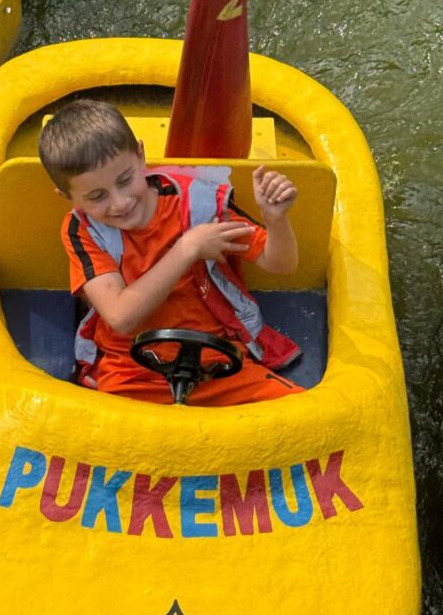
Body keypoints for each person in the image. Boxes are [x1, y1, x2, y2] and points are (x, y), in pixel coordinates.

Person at [38, 98, 304, 405]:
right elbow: (121, 317)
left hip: (218, 362)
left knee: (304, 417)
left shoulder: (198, 203)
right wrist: (188, 248)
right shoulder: (82, 230)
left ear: (140, 156)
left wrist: (276, 219)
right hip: (132, 371)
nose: (120, 202)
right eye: (98, 196)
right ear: (68, 197)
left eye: (125, 180)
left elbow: (281, 263)